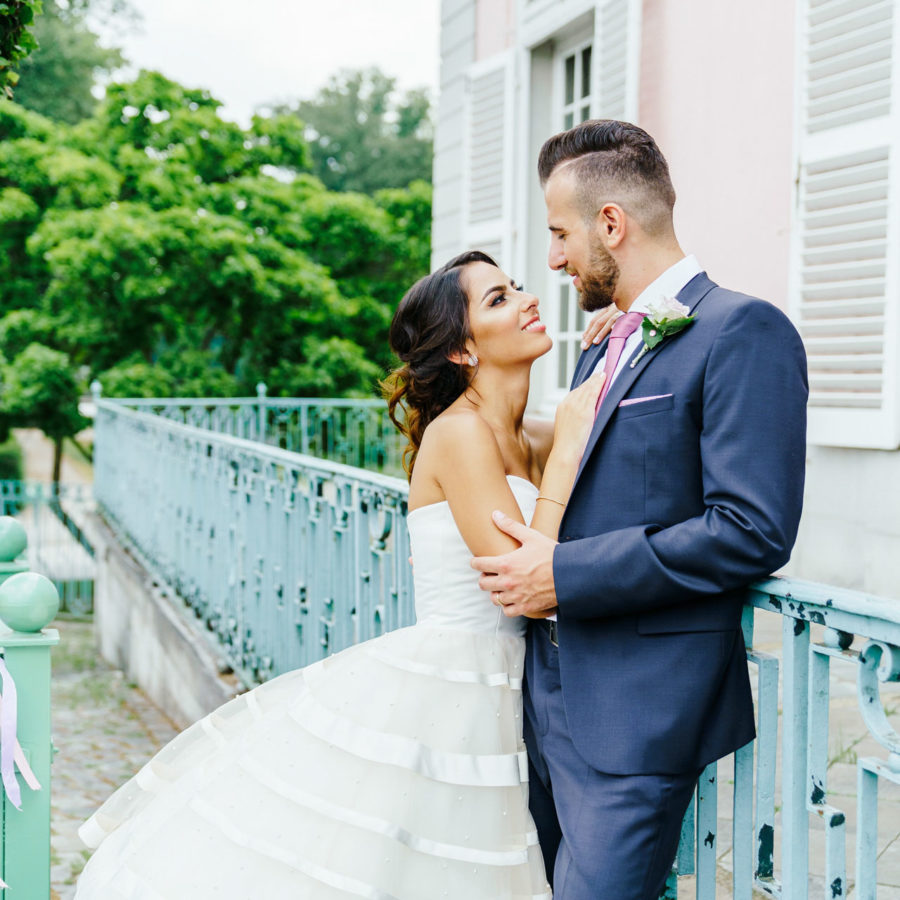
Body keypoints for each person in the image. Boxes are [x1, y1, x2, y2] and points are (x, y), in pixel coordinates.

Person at [74, 249, 617, 899]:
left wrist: (613, 352)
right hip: (456, 685)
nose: (529, 300)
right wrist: (565, 456)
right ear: (463, 351)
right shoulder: (461, 433)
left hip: (518, 682)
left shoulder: (529, 433)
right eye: (499, 299)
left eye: (518, 288)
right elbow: (522, 584)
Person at [472, 120, 809, 900]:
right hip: (547, 690)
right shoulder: (603, 341)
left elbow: (751, 530)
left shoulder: (743, 331)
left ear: (612, 225)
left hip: (637, 713)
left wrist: (564, 574)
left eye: (561, 234)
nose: (552, 259)